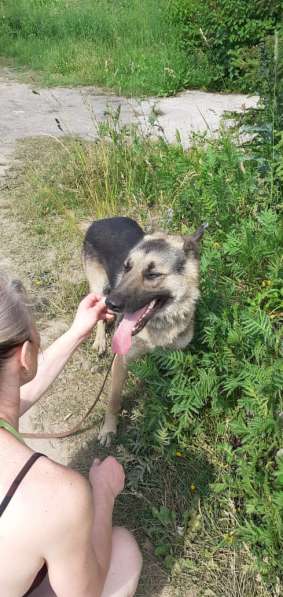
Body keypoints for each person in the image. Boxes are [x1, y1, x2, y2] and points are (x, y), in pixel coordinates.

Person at [0, 272, 142, 597]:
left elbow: (15, 396)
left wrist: (79, 331)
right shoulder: (56, 495)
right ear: (24, 356)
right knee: (123, 550)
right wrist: (103, 493)